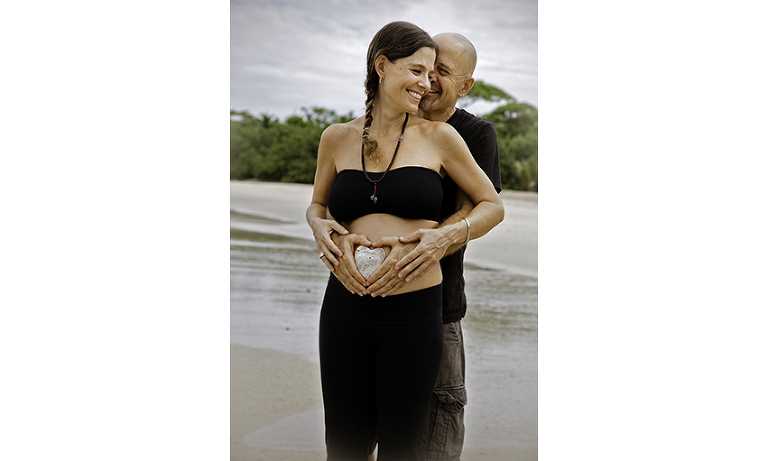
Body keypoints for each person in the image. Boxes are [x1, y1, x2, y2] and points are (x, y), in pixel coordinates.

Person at [306, 21, 504, 461]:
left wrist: (440, 238)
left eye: (434, 72)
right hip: (344, 305)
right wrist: (317, 226)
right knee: (343, 447)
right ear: (381, 66)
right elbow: (317, 205)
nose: (426, 82)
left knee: (403, 449)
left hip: (417, 312)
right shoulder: (335, 137)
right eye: (416, 70)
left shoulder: (444, 137)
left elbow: (491, 204)